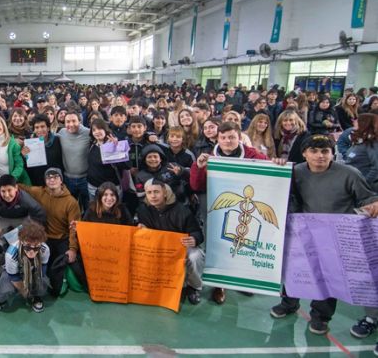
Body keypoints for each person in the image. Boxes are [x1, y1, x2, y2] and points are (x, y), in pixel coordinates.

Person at [269, 135, 378, 335]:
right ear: (304, 154)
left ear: (332, 153)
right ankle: (289, 303)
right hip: (303, 232)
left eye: (325, 151)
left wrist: (373, 205)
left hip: (336, 236)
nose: (320, 156)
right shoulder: (295, 171)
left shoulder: (349, 174)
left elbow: (368, 198)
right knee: (297, 270)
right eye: (314, 151)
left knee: (328, 276)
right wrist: (277, 165)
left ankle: (320, 317)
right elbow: (275, 186)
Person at [190, 121, 267, 305]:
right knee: (218, 246)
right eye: (223, 137)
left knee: (243, 244)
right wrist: (199, 168)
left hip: (243, 208)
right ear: (218, 138)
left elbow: (268, 170)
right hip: (216, 208)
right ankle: (219, 284)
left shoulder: (251, 154)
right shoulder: (208, 157)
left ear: (239, 137)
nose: (227, 141)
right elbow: (196, 186)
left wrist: (278, 162)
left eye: (231, 137)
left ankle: (240, 279)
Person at [137, 179, 204, 305]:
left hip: (180, 247)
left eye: (156, 192)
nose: (153, 196)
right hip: (156, 247)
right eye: (149, 192)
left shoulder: (182, 210)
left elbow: (197, 232)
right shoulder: (143, 210)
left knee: (195, 256)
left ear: (165, 193)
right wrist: (141, 231)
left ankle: (193, 287)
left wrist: (194, 239)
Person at [20, 168, 81, 297]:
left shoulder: (71, 202)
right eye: (48, 177)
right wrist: (8, 186)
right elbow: (24, 188)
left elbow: (74, 228)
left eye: (55, 177)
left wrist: (73, 249)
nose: (52, 180)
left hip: (62, 239)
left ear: (61, 181)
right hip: (45, 239)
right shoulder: (40, 192)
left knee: (74, 267)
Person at [0, 220, 50, 316]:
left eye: (36, 247)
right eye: (28, 247)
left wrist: (36, 283)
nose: (32, 251)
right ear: (21, 241)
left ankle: (35, 296)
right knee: (6, 287)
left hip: (33, 269)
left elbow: (43, 269)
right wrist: (24, 291)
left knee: (43, 283)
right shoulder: (11, 254)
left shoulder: (45, 249)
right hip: (15, 272)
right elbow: (14, 278)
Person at [0, 174, 47, 244]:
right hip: (2, 218)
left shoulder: (25, 199)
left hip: (22, 219)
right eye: (3, 191)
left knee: (28, 237)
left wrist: (33, 229)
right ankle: (1, 250)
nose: (7, 195)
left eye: (9, 190)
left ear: (16, 188)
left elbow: (39, 212)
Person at [0, 116, 31, 190]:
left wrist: (10, 181)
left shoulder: (13, 144)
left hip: (15, 181)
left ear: (3, 126)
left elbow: (19, 166)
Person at [58, 110, 91, 211]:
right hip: (68, 179)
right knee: (70, 208)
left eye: (74, 121)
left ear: (80, 121)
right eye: (68, 121)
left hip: (86, 179)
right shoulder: (61, 133)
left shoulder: (88, 133)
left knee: (88, 208)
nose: (71, 124)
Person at [22, 114, 63, 187]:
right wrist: (25, 157)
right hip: (37, 184)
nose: (40, 130)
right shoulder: (29, 143)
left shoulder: (57, 141)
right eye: (37, 127)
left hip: (54, 183)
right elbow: (28, 168)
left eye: (42, 126)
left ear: (48, 128)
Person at [344, 113, 378, 191]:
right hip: (353, 184)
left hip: (368, 189)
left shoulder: (372, 143)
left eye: (357, 120)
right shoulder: (359, 141)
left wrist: (364, 183)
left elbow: (376, 167)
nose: (354, 122)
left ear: (364, 123)